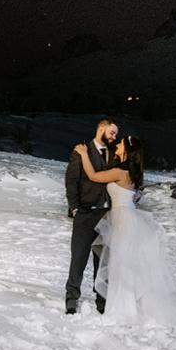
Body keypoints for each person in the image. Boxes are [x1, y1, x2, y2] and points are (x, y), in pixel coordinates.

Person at [72, 135, 176, 324]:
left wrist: (84, 154)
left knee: (121, 263)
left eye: (120, 144)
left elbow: (93, 175)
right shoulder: (133, 173)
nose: (116, 145)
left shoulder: (120, 172)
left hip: (123, 219)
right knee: (124, 263)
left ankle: (123, 310)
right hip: (126, 217)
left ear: (126, 150)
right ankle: (127, 306)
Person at [65, 117, 118, 314]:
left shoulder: (114, 153)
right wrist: (75, 207)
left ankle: (102, 300)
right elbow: (71, 181)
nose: (114, 137)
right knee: (78, 258)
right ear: (101, 129)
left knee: (103, 259)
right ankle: (71, 298)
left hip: (106, 215)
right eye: (112, 132)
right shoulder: (81, 151)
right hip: (85, 214)